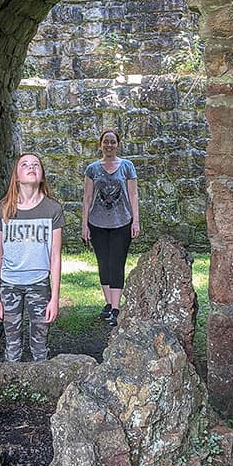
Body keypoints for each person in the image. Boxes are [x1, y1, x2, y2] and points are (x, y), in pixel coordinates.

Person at [0, 153, 64, 362]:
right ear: (17, 175)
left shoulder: (52, 209)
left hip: (39, 283)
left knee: (40, 345)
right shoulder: (3, 209)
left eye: (36, 165)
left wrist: (54, 299)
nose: (31, 167)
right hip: (9, 284)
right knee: (12, 345)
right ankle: (10, 387)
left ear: (41, 176)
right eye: (25, 164)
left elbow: (55, 256)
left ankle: (43, 388)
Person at [82, 129, 140, 327]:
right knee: (103, 264)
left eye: (112, 141)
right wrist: (84, 225)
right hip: (97, 223)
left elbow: (133, 195)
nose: (109, 145)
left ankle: (116, 308)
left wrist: (136, 221)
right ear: (100, 144)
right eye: (105, 141)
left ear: (118, 144)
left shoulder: (127, 167)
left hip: (121, 222)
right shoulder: (92, 169)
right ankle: (108, 303)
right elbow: (87, 198)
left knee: (116, 263)